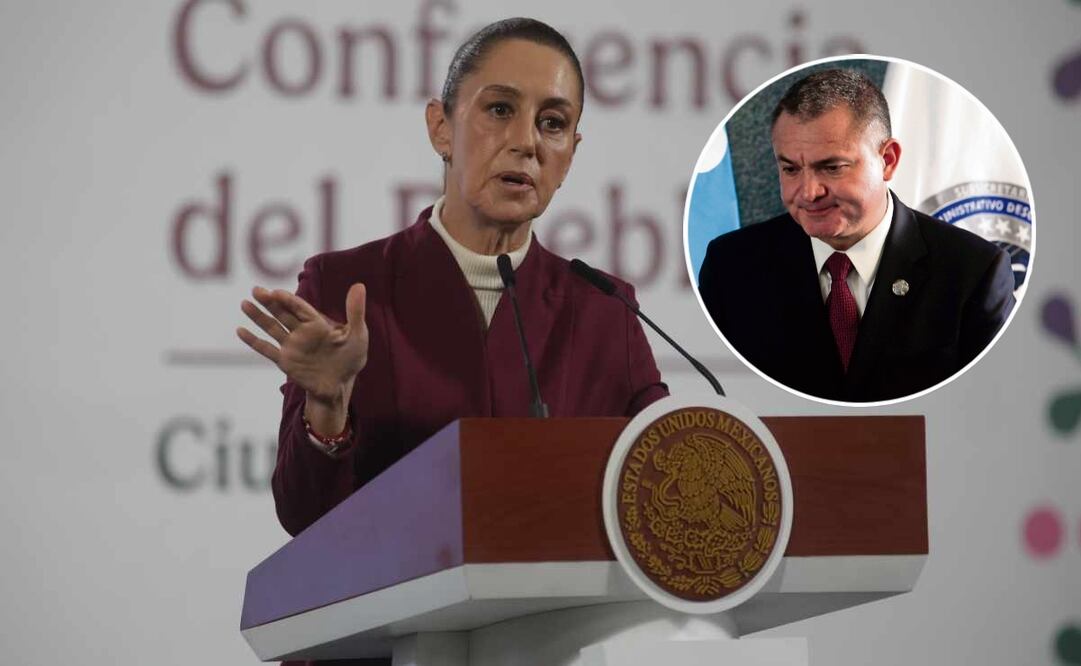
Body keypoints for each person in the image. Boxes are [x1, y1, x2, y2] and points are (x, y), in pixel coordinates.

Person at [238, 12, 666, 587]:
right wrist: (328, 404)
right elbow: (302, 516)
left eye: (553, 123)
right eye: (499, 110)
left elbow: (666, 488)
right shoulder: (346, 287)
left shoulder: (606, 312)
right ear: (441, 128)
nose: (526, 142)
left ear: (570, 153)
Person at [697, 68, 1016, 403]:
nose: (808, 192)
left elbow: (988, 407)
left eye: (832, 167)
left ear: (888, 161)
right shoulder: (731, 267)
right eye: (791, 169)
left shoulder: (974, 272)